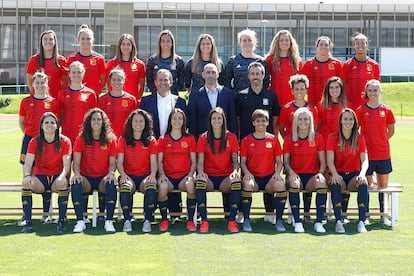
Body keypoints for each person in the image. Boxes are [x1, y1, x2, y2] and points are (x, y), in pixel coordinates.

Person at [235, 62, 280, 224]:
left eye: (258, 73)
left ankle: (270, 212)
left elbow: (275, 119)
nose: (255, 77)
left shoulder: (271, 96)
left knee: (268, 172)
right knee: (245, 175)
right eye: (252, 74)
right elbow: (238, 120)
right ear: (248, 76)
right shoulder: (240, 96)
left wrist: (272, 137)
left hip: (267, 142)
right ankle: (242, 212)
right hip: (247, 143)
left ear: (263, 76)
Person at [140, 69, 187, 221]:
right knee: (153, 178)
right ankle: (150, 212)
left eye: (166, 80)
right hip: (152, 146)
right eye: (160, 80)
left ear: (171, 82)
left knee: (173, 174)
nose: (163, 83)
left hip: (173, 146)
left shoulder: (179, 101)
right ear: (155, 82)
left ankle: (175, 214)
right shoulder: (146, 101)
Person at [18, 71, 59, 225]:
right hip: (29, 140)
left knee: (46, 172)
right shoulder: (25, 101)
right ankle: (26, 214)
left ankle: (46, 213)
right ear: (33, 85)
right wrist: (31, 137)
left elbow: (55, 122)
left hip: (47, 141)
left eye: (43, 83)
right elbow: (22, 122)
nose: (40, 86)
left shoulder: (53, 102)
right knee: (27, 173)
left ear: (47, 85)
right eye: (37, 83)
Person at [20, 112, 71, 233]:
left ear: (57, 125)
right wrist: (27, 176)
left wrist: (63, 176)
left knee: (63, 184)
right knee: (26, 184)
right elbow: (27, 163)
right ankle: (28, 221)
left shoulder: (65, 141)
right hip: (40, 177)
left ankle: (62, 220)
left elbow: (67, 165)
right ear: (41, 126)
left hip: (57, 177)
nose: (49, 125)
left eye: (52, 122)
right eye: (46, 122)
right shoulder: (34, 141)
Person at [71, 108, 118, 233]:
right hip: (86, 177)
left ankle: (109, 221)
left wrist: (111, 173)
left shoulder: (111, 139)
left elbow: (113, 163)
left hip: (102, 177)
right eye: (93, 119)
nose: (96, 122)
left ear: (103, 122)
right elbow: (76, 162)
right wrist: (77, 174)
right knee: (75, 183)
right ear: (89, 122)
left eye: (99, 119)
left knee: (111, 183)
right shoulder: (81, 139)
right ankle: (80, 221)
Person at [195, 107, 241, 233]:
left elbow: (236, 162)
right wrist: (201, 173)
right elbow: (200, 162)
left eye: (219, 118)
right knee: (199, 181)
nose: (216, 120)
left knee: (236, 182)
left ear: (223, 120)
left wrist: (234, 172)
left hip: (225, 178)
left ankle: (232, 221)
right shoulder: (203, 138)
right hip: (209, 177)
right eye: (214, 118)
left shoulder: (231, 137)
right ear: (210, 120)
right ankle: (204, 221)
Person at [240, 109, 286, 232]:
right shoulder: (246, 140)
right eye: (258, 121)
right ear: (253, 123)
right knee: (247, 185)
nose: (261, 123)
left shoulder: (273, 140)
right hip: (253, 178)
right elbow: (242, 162)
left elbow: (279, 162)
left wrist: (277, 174)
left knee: (280, 184)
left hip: (269, 178)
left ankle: (279, 220)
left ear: (267, 123)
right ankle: (247, 220)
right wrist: (248, 173)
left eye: (263, 121)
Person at [356, 79, 395, 225]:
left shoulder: (387, 110)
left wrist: (382, 140)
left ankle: (383, 213)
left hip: (383, 154)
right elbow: (356, 131)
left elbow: (390, 131)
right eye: (370, 90)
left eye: (375, 90)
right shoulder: (361, 110)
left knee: (383, 187)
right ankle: (365, 214)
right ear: (366, 92)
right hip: (366, 155)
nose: (372, 93)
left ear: (380, 92)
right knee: (366, 186)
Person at [283, 107, 327, 233]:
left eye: (306, 119)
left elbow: (323, 162)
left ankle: (318, 222)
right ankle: (297, 222)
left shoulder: (317, 138)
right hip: (295, 174)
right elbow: (286, 162)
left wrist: (320, 173)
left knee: (321, 182)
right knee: (294, 184)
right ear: (296, 121)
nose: (303, 121)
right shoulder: (288, 138)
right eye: (300, 119)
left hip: (312, 175)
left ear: (311, 121)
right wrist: (291, 173)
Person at [326, 108, 369, 233]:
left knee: (362, 183)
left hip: (353, 175)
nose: (348, 121)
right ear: (340, 121)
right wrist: (334, 174)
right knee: (335, 183)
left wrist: (362, 174)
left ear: (355, 122)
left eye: (350, 119)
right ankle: (338, 221)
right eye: (345, 119)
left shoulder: (359, 138)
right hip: (338, 173)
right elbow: (330, 160)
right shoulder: (332, 137)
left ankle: (361, 221)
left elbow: (365, 160)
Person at [117, 109, 158, 233]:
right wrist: (123, 175)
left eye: (141, 121)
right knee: (125, 187)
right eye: (136, 121)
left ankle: (147, 220)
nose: (138, 124)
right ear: (131, 123)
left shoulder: (151, 140)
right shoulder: (123, 139)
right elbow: (119, 162)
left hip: (145, 176)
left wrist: (152, 174)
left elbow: (154, 163)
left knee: (151, 186)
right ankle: (127, 219)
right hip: (129, 176)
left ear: (146, 123)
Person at [157, 108, 197, 232]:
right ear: (170, 121)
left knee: (190, 185)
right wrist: (162, 175)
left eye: (180, 118)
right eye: (174, 118)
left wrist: (190, 175)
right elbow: (159, 161)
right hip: (168, 177)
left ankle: (190, 220)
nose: (177, 121)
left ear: (184, 121)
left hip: (183, 176)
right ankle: (164, 220)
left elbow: (194, 161)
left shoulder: (189, 138)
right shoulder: (163, 139)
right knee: (162, 187)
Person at [188, 63, 237, 138]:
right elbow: (192, 122)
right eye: (208, 73)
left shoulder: (228, 94)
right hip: (203, 141)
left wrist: (234, 139)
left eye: (213, 72)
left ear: (218, 74)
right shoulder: (195, 96)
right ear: (203, 75)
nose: (211, 75)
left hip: (224, 140)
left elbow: (232, 119)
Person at [57, 61, 97, 145]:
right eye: (74, 72)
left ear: (83, 74)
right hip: (67, 134)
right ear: (69, 74)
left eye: (79, 72)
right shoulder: (62, 93)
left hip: (85, 135)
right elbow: (60, 115)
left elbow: (93, 116)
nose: (76, 75)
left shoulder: (90, 93)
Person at [341, 33, 380, 109]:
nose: (360, 45)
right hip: (350, 104)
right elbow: (343, 84)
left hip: (368, 105)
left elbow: (376, 87)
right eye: (357, 43)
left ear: (367, 45)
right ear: (354, 45)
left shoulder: (374, 65)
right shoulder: (347, 64)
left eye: (363, 43)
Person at [299, 36, 342, 105]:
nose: (323, 47)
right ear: (316, 46)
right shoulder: (308, 64)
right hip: (313, 102)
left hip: (331, 102)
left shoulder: (337, 64)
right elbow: (301, 83)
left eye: (326, 45)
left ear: (330, 48)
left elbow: (341, 84)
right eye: (321, 44)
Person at [224, 29, 270, 93]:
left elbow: (266, 81)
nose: (247, 43)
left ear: (254, 42)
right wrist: (232, 95)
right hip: (238, 99)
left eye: (249, 40)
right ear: (240, 43)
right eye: (244, 40)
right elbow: (226, 81)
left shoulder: (261, 61)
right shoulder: (233, 61)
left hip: (256, 98)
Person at [66, 24, 106, 96]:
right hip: (75, 95)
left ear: (92, 40)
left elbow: (103, 79)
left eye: (88, 39)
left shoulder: (99, 59)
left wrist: (96, 90)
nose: (85, 41)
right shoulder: (72, 58)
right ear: (78, 40)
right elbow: (67, 79)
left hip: (94, 96)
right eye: (83, 39)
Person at [26, 30, 67, 98]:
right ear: (41, 42)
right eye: (45, 39)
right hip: (39, 100)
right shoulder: (33, 60)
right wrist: (36, 95)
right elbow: (30, 82)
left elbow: (65, 83)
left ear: (54, 42)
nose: (48, 41)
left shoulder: (61, 60)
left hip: (56, 100)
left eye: (51, 39)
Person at [266, 30, 302, 107]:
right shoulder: (270, 60)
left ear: (291, 42)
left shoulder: (296, 61)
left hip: (292, 100)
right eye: (281, 40)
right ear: (277, 43)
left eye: (287, 40)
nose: (284, 42)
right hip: (275, 99)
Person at [106, 33, 146, 103]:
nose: (126, 47)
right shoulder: (111, 63)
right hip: (115, 101)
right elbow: (108, 84)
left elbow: (141, 86)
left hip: (132, 102)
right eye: (123, 44)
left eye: (128, 44)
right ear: (119, 46)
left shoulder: (140, 64)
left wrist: (136, 100)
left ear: (132, 46)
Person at [98, 68, 137, 138]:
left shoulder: (131, 100)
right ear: (110, 81)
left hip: (125, 138)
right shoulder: (102, 99)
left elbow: (133, 121)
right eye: (114, 79)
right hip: (107, 137)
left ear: (124, 81)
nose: (116, 82)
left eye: (119, 80)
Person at [146, 29, 184, 95]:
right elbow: (149, 81)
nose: (165, 43)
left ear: (172, 43)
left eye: (168, 41)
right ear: (159, 43)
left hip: (172, 97)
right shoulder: (152, 60)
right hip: (156, 96)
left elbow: (181, 82)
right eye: (163, 41)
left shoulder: (178, 61)